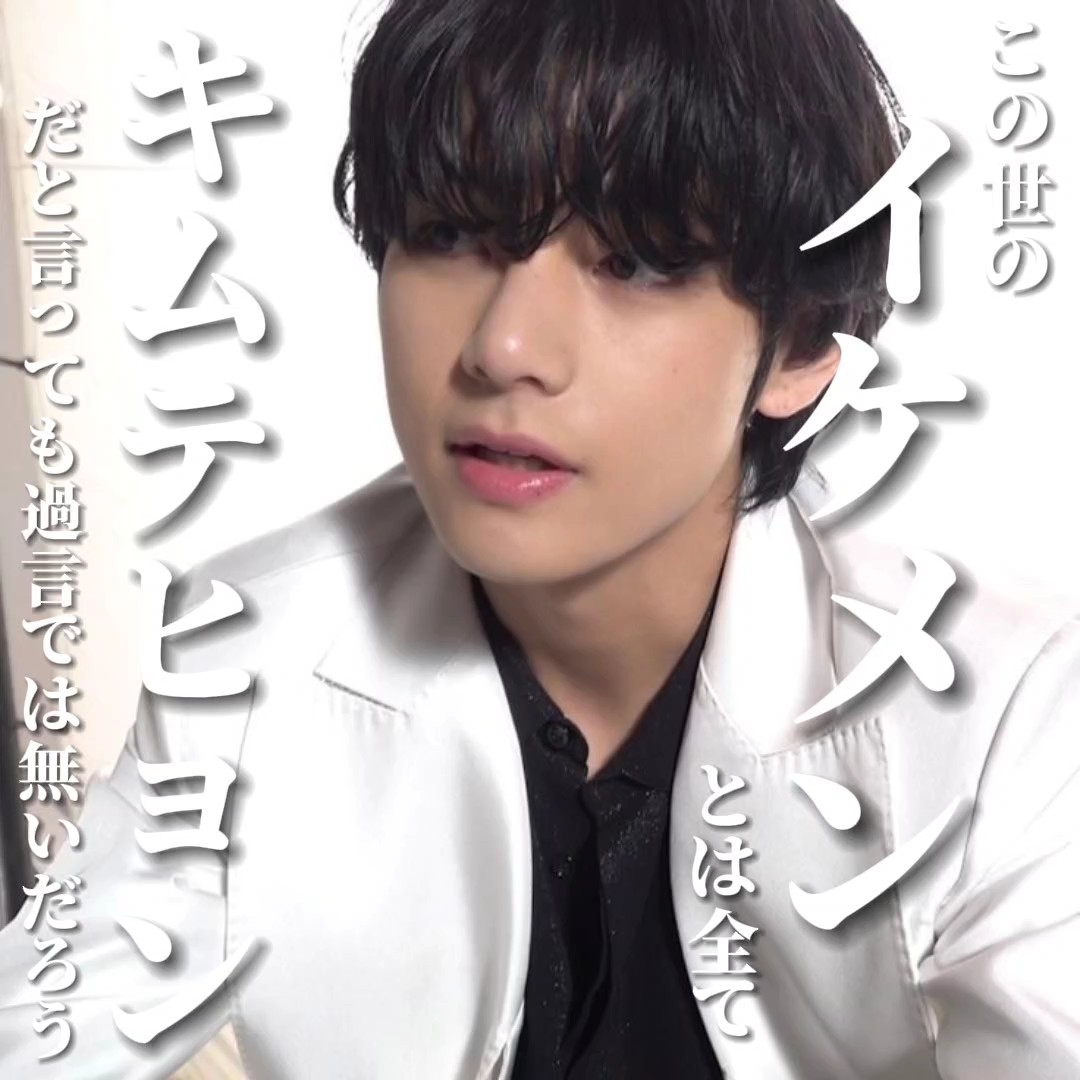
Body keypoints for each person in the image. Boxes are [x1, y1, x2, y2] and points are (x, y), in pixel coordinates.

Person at [2, 0, 1079, 1077]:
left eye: (636, 261)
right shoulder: (244, 653)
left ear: (800, 348)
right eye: (447, 234)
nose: (504, 345)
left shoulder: (1004, 708)